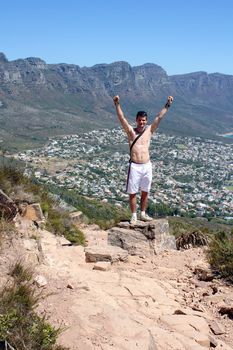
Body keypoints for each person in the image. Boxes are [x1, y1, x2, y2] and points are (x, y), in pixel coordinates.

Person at [113, 95, 174, 224]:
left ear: (146, 121)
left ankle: (143, 213)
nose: (142, 122)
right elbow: (121, 118)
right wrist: (117, 104)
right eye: (140, 120)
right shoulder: (131, 132)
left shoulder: (149, 130)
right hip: (135, 165)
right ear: (136, 120)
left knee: (145, 191)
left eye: (144, 120)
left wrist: (167, 104)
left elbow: (159, 117)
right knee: (133, 191)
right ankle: (134, 215)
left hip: (147, 165)